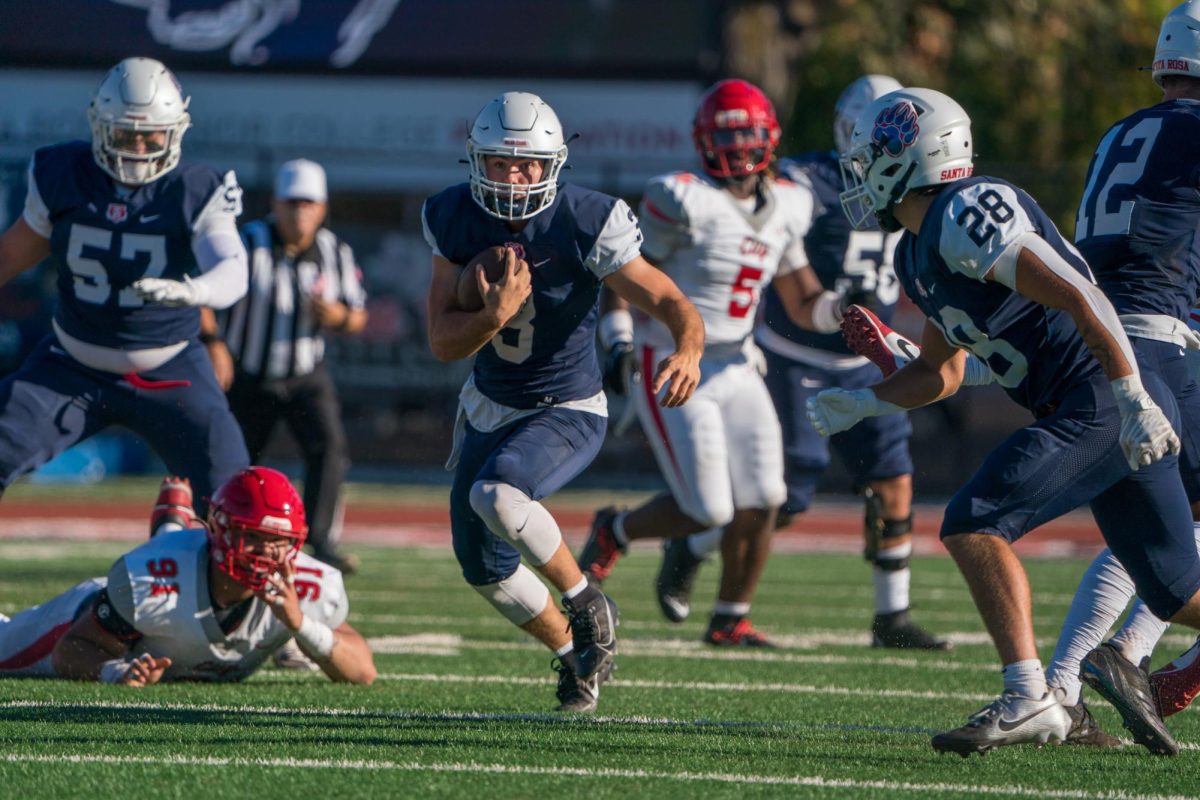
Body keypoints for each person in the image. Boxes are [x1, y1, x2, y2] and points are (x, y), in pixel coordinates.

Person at [806, 86, 1200, 756]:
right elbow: (943, 372)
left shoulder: (967, 211)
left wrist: (1132, 397)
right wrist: (870, 400)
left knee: (974, 521)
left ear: (914, 152)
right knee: (1178, 591)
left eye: (874, 152)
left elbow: (1084, 295)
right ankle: (1052, 705)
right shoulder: (914, 249)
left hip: (1098, 399)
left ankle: (1031, 700)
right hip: (1089, 401)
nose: (862, 166)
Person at [422, 92, 704, 712]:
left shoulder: (585, 220)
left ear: (552, 164)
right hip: (487, 405)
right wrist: (492, 315)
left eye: (527, 165)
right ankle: (576, 659)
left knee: (497, 494)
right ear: (478, 162)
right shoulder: (451, 215)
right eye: (501, 164)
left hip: (565, 405)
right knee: (483, 567)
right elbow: (443, 342)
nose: (515, 177)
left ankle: (587, 602)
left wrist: (688, 349)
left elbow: (671, 300)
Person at [581, 79, 852, 647]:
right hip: (675, 360)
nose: (735, 149)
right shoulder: (681, 197)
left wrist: (847, 310)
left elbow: (803, 303)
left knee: (765, 499)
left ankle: (731, 617)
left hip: (738, 365)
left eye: (744, 135)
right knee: (706, 508)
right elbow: (625, 274)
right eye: (724, 136)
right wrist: (617, 338)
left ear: (768, 139)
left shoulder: (789, 205)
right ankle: (617, 530)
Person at [0, 57, 248, 515]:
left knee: (238, 501)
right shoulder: (63, 173)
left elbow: (233, 267)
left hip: (171, 367)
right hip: (70, 365)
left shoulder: (196, 188)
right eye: (123, 133)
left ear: (176, 129)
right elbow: (11, 255)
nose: (136, 146)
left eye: (149, 134)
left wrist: (195, 293)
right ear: (99, 125)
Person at [749, 75, 946, 650]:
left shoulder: (912, 184)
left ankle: (893, 615)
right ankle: (697, 546)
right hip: (796, 355)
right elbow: (780, 193)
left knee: (894, 479)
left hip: (869, 358)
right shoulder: (812, 180)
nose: (884, 147)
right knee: (786, 498)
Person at [0, 467, 376, 685]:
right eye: (254, 538)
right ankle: (169, 535)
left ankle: (170, 530)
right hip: (88, 611)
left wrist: (301, 626)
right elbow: (71, 648)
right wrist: (115, 671)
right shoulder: (148, 580)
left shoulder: (308, 584)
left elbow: (363, 670)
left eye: (279, 542)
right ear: (221, 530)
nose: (266, 554)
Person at [203, 159, 368, 575]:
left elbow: (359, 315)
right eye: (292, 202)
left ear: (322, 207)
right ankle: (221, 534)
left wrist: (336, 316)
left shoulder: (335, 252)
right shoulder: (247, 243)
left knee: (329, 449)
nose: (299, 212)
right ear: (275, 203)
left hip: (304, 375)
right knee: (234, 459)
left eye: (308, 203)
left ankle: (322, 542)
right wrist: (215, 344)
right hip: (248, 375)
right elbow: (205, 294)